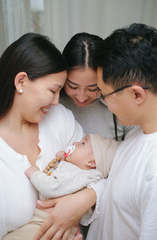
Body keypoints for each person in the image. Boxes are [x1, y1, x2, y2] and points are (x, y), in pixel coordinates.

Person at [33, 23, 157, 240]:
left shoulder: (149, 158)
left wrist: (83, 199)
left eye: (100, 92)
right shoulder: (137, 138)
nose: (84, 98)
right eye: (73, 86)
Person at [0, 32, 85, 240]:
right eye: (53, 91)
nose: (56, 101)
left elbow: (98, 169)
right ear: (21, 82)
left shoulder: (59, 119)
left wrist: (79, 203)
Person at [4, 134, 119, 240]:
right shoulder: (85, 176)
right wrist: (64, 159)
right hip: (61, 230)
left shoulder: (77, 174)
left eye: (83, 143)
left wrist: (35, 174)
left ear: (91, 162)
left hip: (45, 224)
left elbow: (52, 187)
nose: (75, 143)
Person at [61, 32, 133, 141]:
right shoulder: (52, 103)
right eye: (73, 86)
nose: (81, 98)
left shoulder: (121, 104)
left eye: (92, 89)